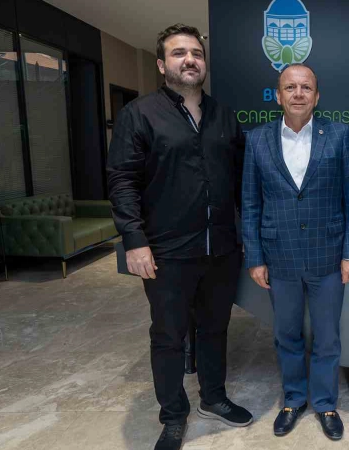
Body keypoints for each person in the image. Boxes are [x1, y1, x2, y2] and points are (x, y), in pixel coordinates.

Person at [107, 24, 252, 450]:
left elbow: (241, 182)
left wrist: (249, 235)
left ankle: (213, 398)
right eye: (178, 53)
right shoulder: (139, 114)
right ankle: (173, 415)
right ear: (161, 64)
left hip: (221, 248)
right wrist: (134, 239)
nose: (190, 59)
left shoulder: (224, 116)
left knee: (215, 329)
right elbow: (122, 180)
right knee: (169, 336)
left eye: (196, 54)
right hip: (166, 251)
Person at [241, 63, 349, 441]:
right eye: (290, 87)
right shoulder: (256, 139)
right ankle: (293, 400)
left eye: (306, 87)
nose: (298, 94)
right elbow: (250, 202)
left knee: (327, 338)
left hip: (328, 257)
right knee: (287, 335)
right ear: (278, 96)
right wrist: (255, 257)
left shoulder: (338, 135)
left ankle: (325, 403)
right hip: (279, 257)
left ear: (316, 95)